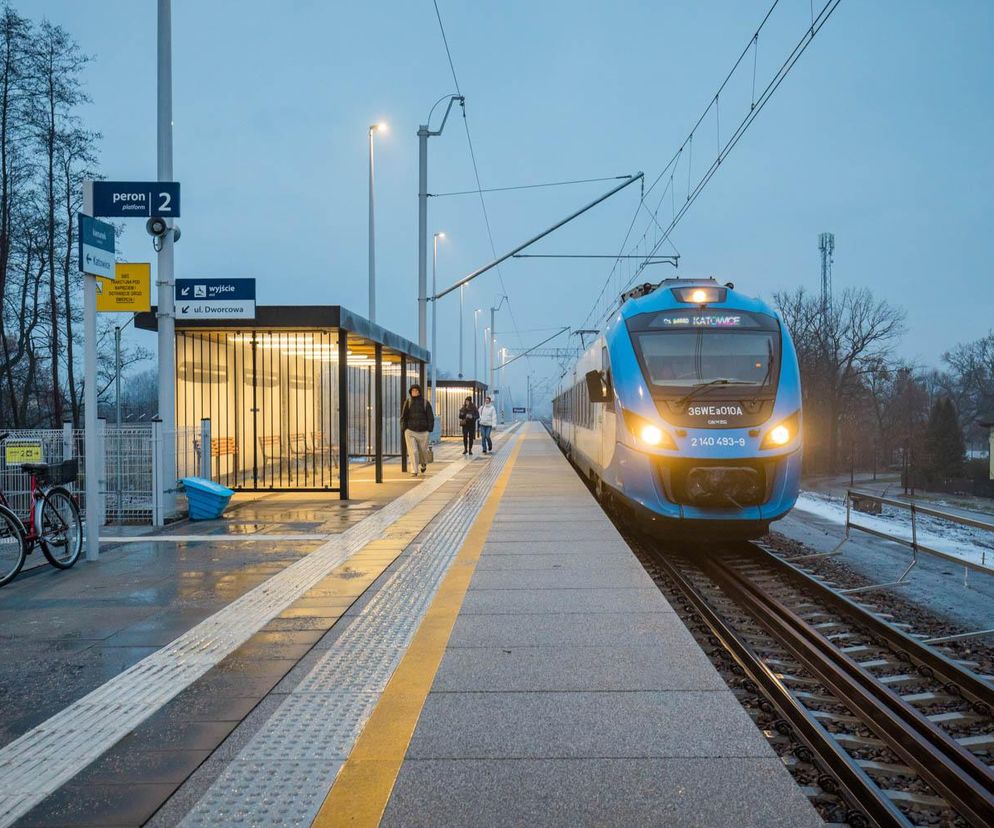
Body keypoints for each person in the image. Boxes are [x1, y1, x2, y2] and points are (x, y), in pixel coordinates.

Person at [400, 384, 434, 477]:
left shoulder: (425, 403)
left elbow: (430, 417)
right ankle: (414, 470)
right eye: (412, 391)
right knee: (413, 451)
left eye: (416, 390)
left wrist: (429, 429)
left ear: (419, 391)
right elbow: (403, 417)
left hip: (423, 431)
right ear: (410, 392)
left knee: (423, 451)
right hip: (410, 431)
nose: (414, 392)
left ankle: (423, 463)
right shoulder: (408, 402)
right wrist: (404, 428)